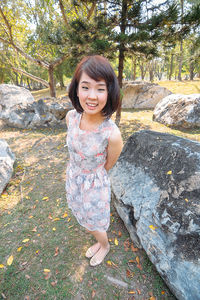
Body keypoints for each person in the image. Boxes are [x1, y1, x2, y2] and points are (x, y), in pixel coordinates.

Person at [65, 55, 123, 267]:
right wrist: (75, 171)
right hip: (73, 178)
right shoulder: (71, 118)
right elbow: (73, 148)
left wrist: (91, 174)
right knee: (84, 219)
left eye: (100, 88)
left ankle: (104, 245)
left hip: (94, 184)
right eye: (85, 87)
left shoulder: (111, 134)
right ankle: (99, 241)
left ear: (109, 92)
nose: (92, 96)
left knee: (95, 223)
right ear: (76, 89)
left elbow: (109, 163)